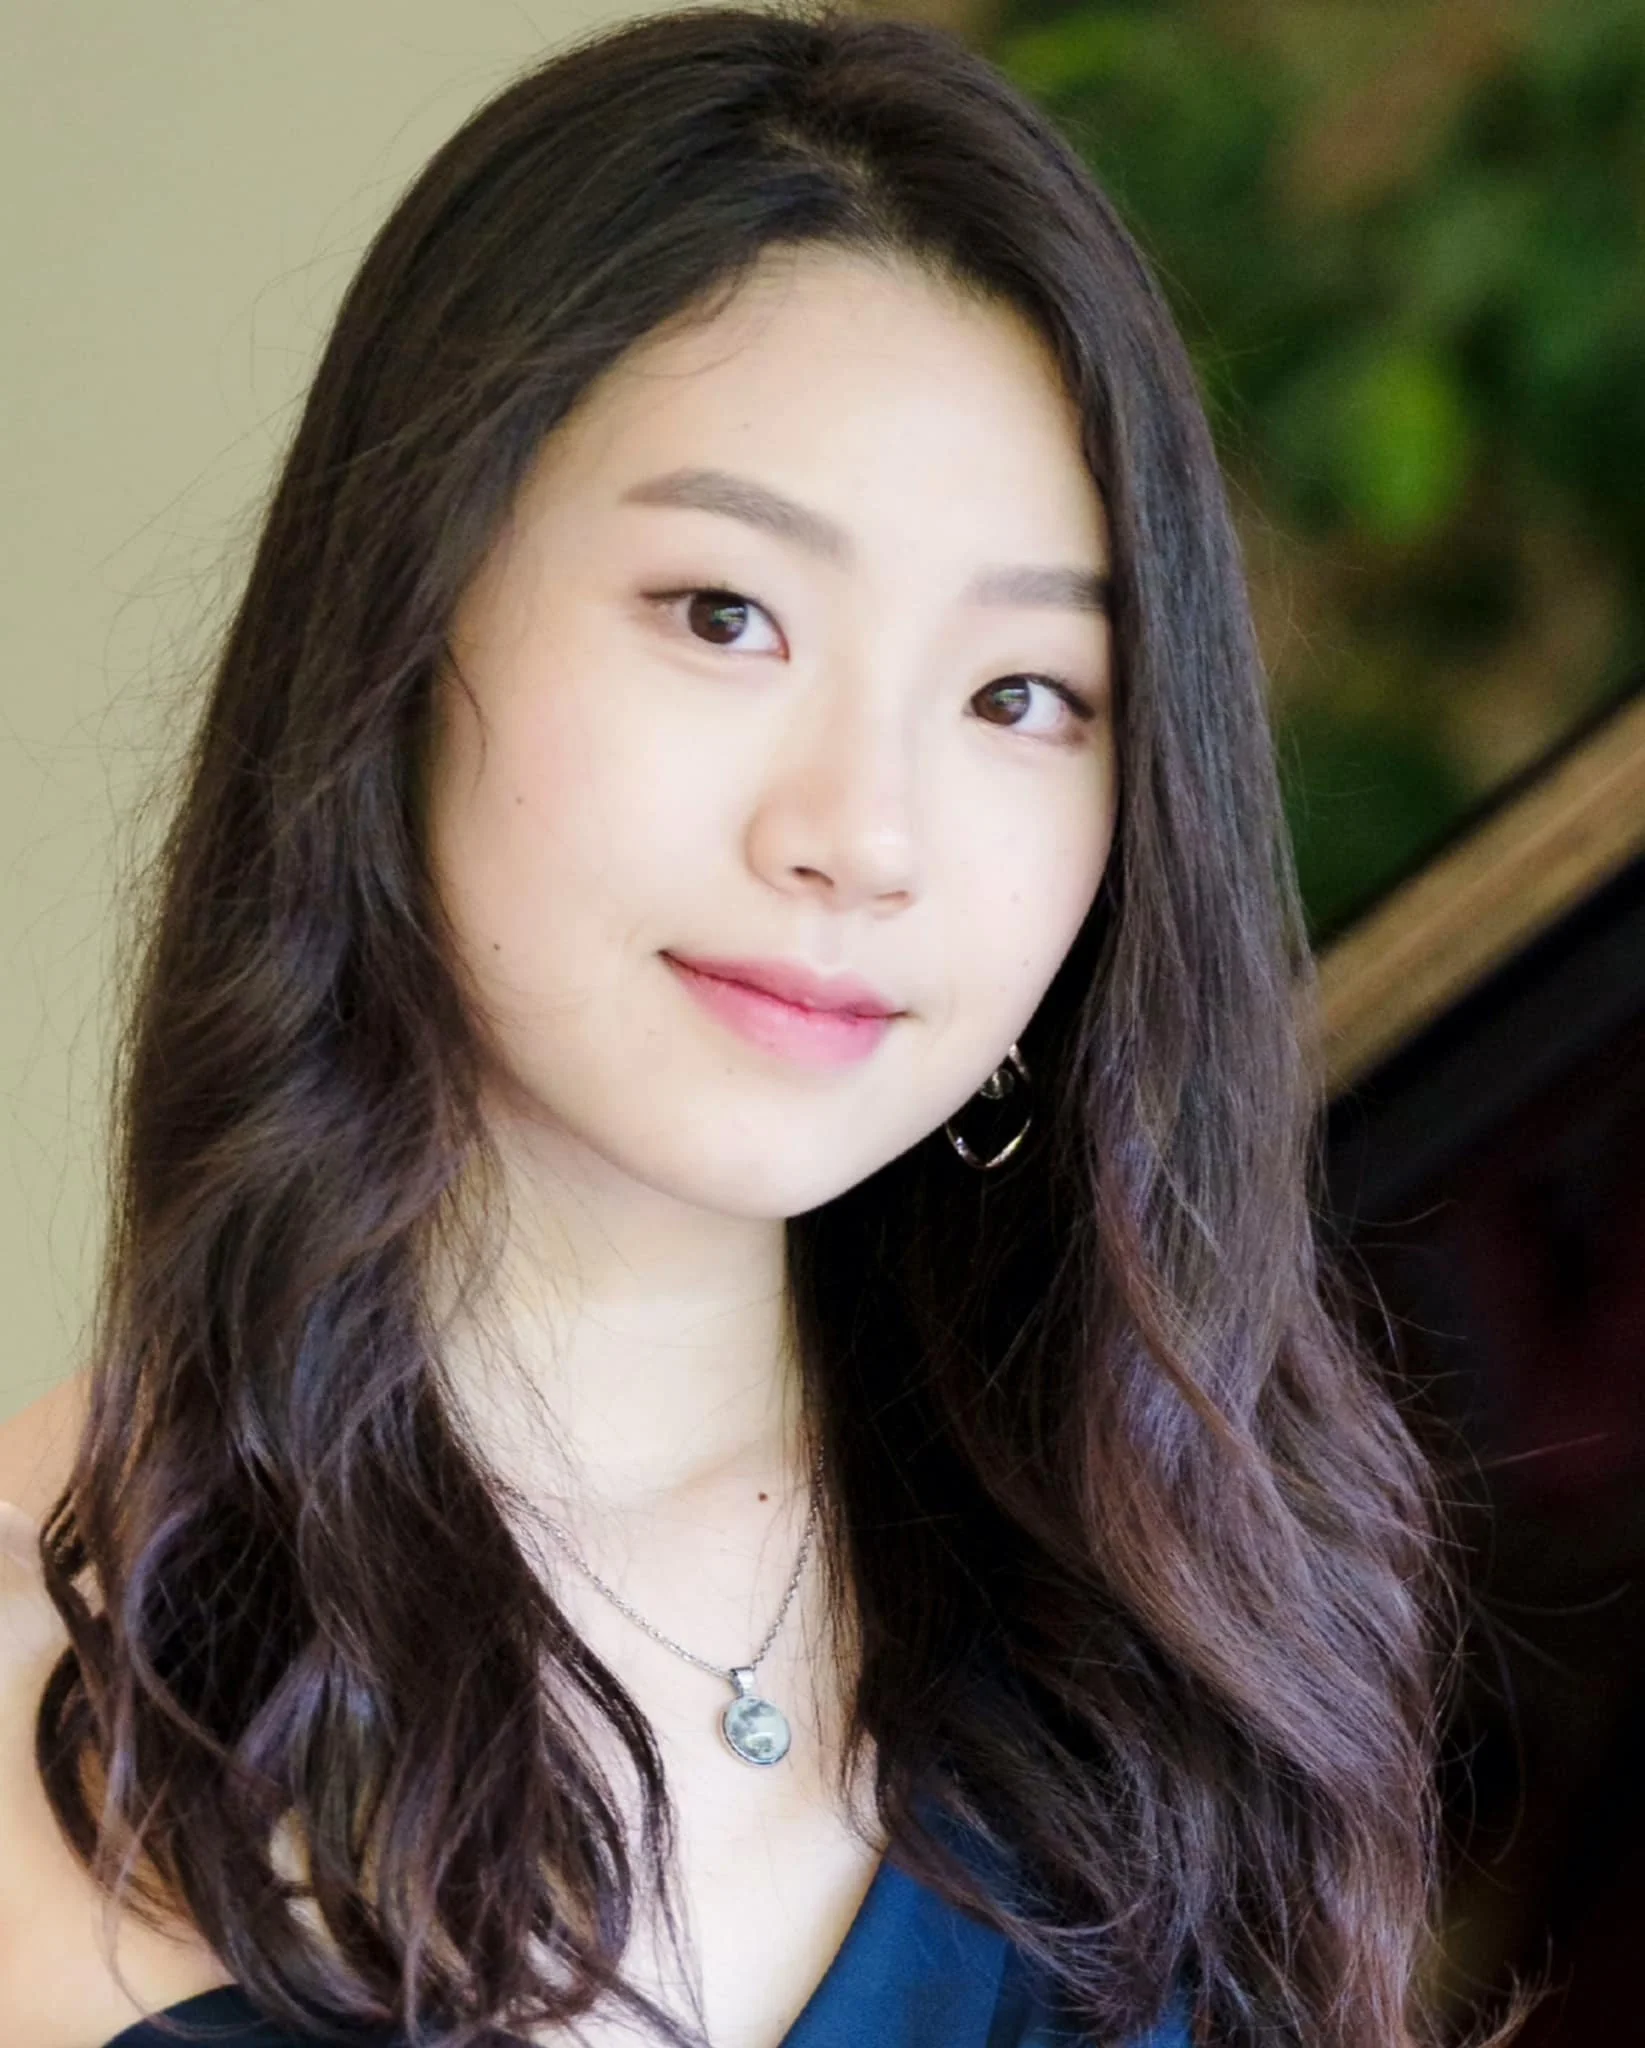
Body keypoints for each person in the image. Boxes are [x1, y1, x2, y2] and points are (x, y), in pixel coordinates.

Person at [0, 4, 1482, 2044]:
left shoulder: (1170, 1622)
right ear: (404, 619)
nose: (862, 835)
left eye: (1023, 695)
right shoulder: (30, 1666)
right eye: (726, 615)